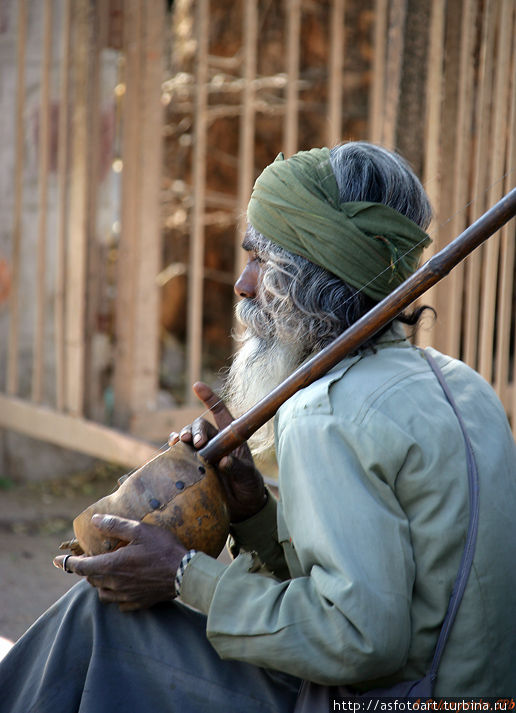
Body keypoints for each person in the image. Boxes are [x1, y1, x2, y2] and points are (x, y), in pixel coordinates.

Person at [1, 142, 515, 712]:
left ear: (313, 274)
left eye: (260, 261)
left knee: (101, 622)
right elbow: (377, 590)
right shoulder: (462, 384)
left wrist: (181, 576)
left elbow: (363, 641)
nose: (243, 285)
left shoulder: (327, 412)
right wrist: (253, 514)